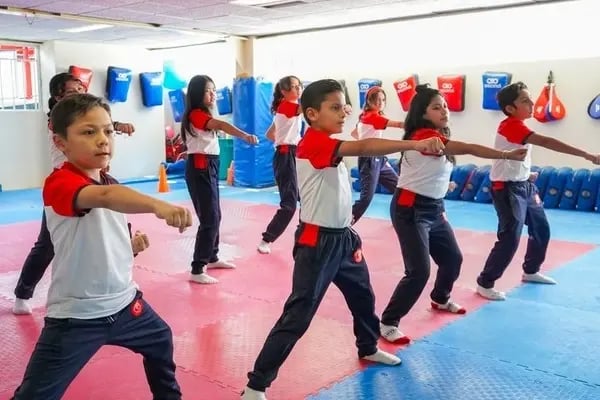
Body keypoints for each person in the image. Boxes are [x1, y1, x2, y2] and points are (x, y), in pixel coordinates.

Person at [240, 79, 446, 400]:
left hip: (344, 239)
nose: (342, 114)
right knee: (298, 315)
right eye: (334, 108)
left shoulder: (329, 138)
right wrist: (413, 144)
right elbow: (363, 147)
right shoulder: (312, 143)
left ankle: (367, 347)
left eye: (343, 107)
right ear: (311, 114)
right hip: (316, 243)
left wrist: (342, 106)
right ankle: (255, 385)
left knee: (363, 297)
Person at [11, 93, 190, 399]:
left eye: (108, 131)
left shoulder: (109, 181)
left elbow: (99, 232)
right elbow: (104, 199)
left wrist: (129, 246)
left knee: (160, 339)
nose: (103, 140)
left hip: (126, 306)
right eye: (88, 132)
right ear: (60, 143)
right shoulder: (60, 183)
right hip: (77, 318)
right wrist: (158, 206)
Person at [378, 84, 527, 344]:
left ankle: (440, 297)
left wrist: (445, 185)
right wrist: (505, 154)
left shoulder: (437, 134)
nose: (443, 110)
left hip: (434, 208)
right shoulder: (425, 135)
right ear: (422, 113)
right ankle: (389, 321)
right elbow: (468, 148)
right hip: (410, 209)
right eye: (436, 107)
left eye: (445, 105)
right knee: (419, 271)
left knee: (453, 259)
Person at [13, 72, 135, 315]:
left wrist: (116, 126)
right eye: (71, 92)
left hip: (96, 181)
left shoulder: (88, 118)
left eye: (81, 89)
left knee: (116, 228)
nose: (79, 94)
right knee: (46, 245)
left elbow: (100, 124)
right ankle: (22, 293)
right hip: (67, 188)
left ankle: (121, 279)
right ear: (58, 96)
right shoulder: (58, 120)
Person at [476, 82, 600, 300]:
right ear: (510, 109)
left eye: (530, 98)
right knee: (510, 237)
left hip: (524, 185)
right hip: (506, 188)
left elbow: (518, 155)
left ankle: (531, 270)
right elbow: (546, 141)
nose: (531, 103)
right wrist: (586, 155)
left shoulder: (519, 126)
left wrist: (526, 173)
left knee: (541, 229)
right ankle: (485, 283)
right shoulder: (510, 125)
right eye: (525, 100)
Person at [181, 75, 258, 284]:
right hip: (200, 167)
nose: (213, 94)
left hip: (209, 166)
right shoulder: (196, 114)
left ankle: (212, 256)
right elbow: (221, 126)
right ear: (198, 93)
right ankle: (197, 268)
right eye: (208, 90)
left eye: (214, 90)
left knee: (215, 214)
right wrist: (244, 135)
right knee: (209, 218)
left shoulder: (202, 114)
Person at [257, 76, 303, 254]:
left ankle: (304, 239)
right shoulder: (286, 106)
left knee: (306, 200)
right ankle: (266, 239)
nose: (299, 89)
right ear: (284, 91)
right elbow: (307, 109)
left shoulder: (283, 110)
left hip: (294, 153)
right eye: (294, 87)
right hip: (286, 156)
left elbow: (270, 133)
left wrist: (285, 138)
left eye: (300, 86)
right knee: (289, 204)